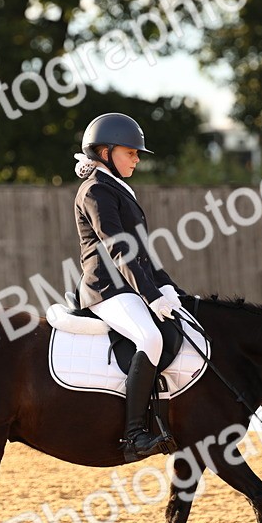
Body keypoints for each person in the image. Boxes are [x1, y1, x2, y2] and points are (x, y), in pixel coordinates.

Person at [73, 112, 185, 462]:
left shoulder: (116, 187)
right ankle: (134, 434)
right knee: (149, 338)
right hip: (106, 288)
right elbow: (118, 247)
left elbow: (143, 252)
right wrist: (150, 296)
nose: (137, 159)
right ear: (105, 152)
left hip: (129, 286)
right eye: (131, 152)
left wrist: (168, 288)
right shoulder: (95, 191)